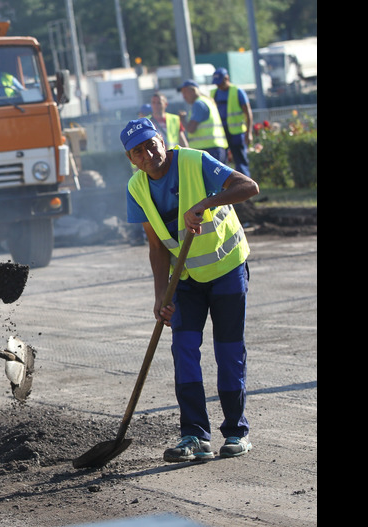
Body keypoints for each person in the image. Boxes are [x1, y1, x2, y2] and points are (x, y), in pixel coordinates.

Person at [119, 118, 259, 464]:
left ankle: (236, 433)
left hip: (226, 270)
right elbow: (156, 246)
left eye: (151, 144)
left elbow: (248, 186)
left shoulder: (196, 161)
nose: (148, 153)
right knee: (183, 350)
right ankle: (195, 435)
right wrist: (160, 295)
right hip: (185, 280)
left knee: (228, 352)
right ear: (132, 159)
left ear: (162, 141)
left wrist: (206, 203)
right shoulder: (137, 188)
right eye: (138, 151)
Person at [210, 68, 254, 178]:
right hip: (220, 133)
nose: (219, 86)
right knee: (222, 162)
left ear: (227, 78)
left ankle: (245, 188)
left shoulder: (237, 91)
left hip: (236, 132)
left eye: (220, 82)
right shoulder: (214, 93)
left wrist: (249, 133)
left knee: (240, 161)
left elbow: (248, 113)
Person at [177, 80, 229, 164]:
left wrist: (182, 120)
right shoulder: (206, 101)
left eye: (185, 92)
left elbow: (191, 129)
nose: (184, 96)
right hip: (215, 147)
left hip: (208, 149)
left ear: (193, 91)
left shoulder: (198, 104)